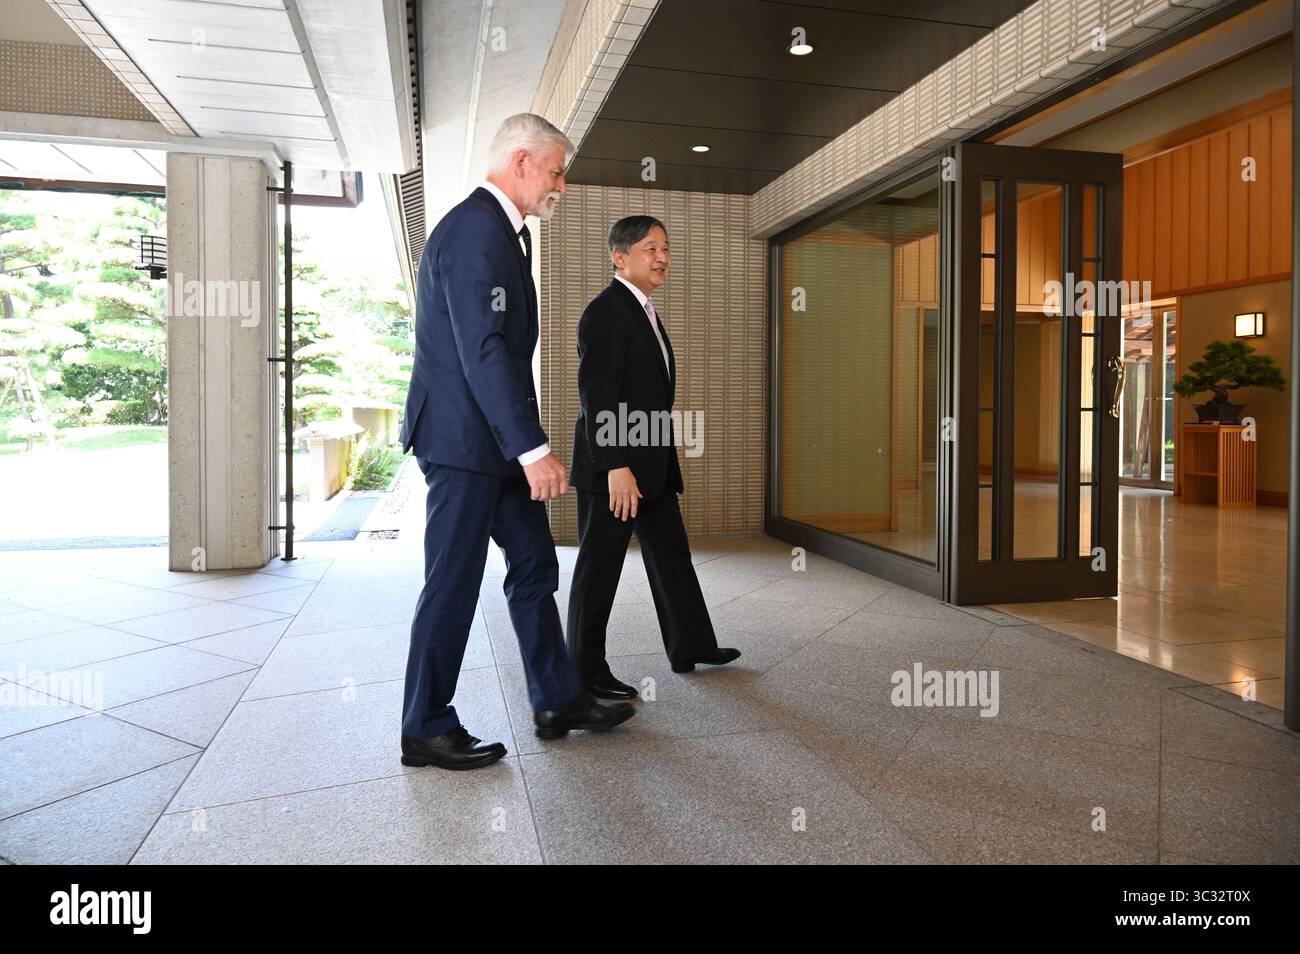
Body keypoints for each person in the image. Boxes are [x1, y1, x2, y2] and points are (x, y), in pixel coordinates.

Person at [398, 114, 635, 771]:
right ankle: (425, 726)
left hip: (491, 442)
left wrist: (520, 445)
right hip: (462, 442)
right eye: (558, 171)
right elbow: (484, 350)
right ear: (523, 162)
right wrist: (532, 446)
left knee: (533, 562)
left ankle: (558, 698)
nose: (563, 183)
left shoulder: (504, 233)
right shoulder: (477, 232)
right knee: (453, 580)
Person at [566, 215, 741, 700]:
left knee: (671, 556)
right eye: (650, 249)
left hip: (653, 466)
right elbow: (598, 394)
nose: (662, 257)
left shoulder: (643, 311)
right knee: (599, 567)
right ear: (618, 257)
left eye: (665, 248)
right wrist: (616, 466)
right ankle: (583, 671)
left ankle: (691, 645)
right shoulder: (606, 311)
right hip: (616, 471)